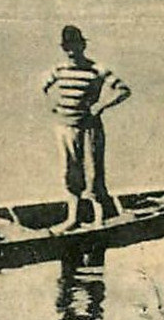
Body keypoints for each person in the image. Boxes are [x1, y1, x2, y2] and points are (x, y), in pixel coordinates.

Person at [42, 25, 131, 231]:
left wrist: (101, 106)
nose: (71, 51)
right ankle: (72, 219)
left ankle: (99, 220)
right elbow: (42, 87)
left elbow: (124, 90)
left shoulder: (97, 69)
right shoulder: (59, 69)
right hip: (65, 128)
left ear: (82, 45)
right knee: (70, 173)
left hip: (89, 129)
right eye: (67, 47)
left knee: (93, 173)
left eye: (74, 46)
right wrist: (52, 105)